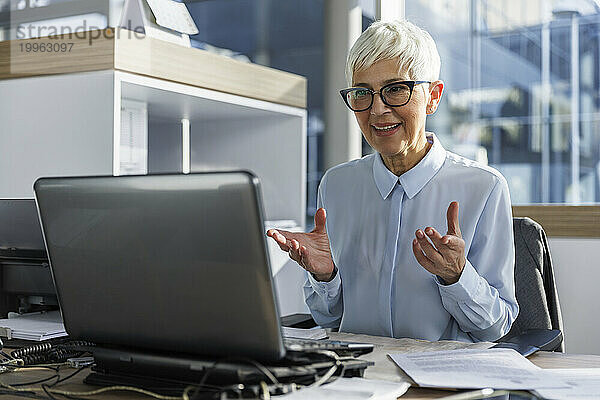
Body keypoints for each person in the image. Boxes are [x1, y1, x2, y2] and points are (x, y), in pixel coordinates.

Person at [267, 19, 518, 342]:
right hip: (359, 379)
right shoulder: (336, 185)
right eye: (362, 93)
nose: (377, 110)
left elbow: (495, 327)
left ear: (433, 96)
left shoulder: (484, 188)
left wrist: (457, 276)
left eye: (396, 89)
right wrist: (325, 276)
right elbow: (325, 318)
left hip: (437, 384)